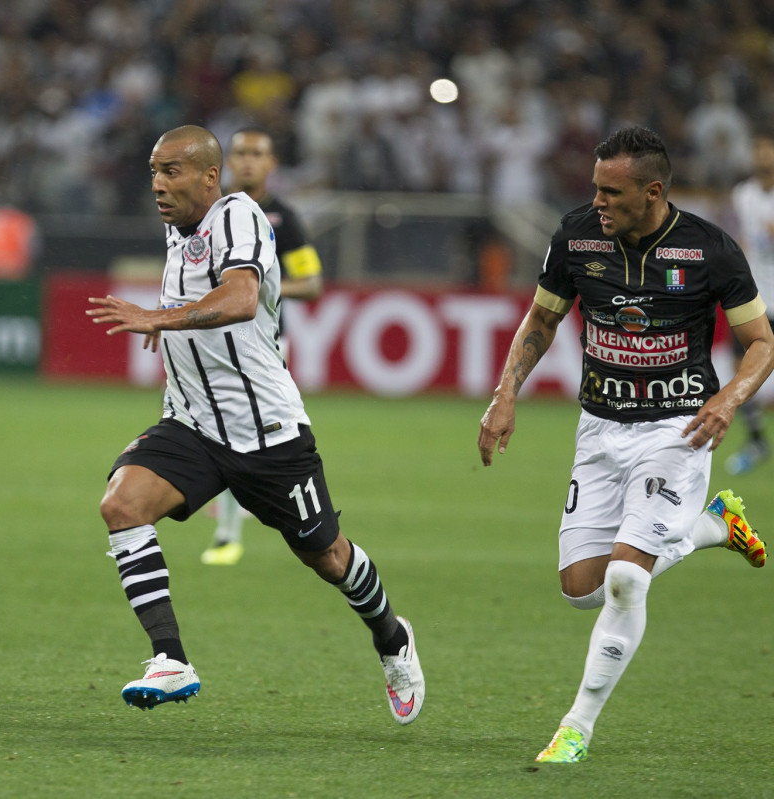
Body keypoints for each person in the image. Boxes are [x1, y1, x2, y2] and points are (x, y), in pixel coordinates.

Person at [86, 125, 424, 722]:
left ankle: (392, 636)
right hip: (191, 425)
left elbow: (241, 298)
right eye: (154, 172)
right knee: (121, 504)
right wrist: (168, 338)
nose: (158, 185)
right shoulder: (176, 228)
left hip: (267, 432)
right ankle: (171, 661)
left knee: (327, 556)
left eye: (171, 172)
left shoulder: (240, 214)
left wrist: (159, 319)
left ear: (209, 177)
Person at [478, 126, 773, 763]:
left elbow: (763, 342)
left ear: (653, 191)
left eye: (612, 192)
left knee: (623, 581)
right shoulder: (578, 234)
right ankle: (715, 526)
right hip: (600, 429)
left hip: (676, 430)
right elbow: (543, 318)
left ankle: (575, 727)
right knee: (581, 585)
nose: (598, 202)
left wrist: (726, 401)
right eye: (595, 188)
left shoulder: (707, 249)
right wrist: (505, 395)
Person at [201, 126, 324, 567]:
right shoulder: (209, 212)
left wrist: (264, 287)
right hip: (210, 340)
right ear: (228, 162)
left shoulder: (283, 218)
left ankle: (228, 532)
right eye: (241, 153)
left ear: (272, 164)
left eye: (258, 153)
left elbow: (311, 283)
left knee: (243, 434)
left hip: (263, 345)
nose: (249, 161)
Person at [726, 127, 774, 474]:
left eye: (767, 150)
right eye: (757, 149)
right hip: (755, 300)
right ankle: (757, 440)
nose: (761, 157)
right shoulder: (743, 194)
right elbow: (746, 242)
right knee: (737, 369)